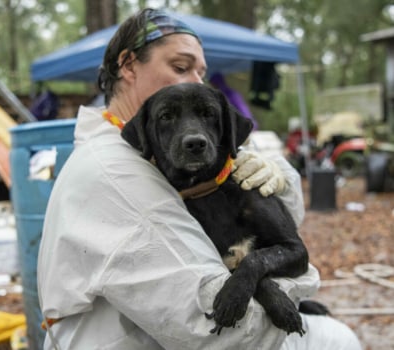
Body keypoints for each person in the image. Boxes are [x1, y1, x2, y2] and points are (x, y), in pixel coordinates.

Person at [37, 8, 361, 350]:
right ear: (129, 65)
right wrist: (296, 283)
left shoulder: (153, 156)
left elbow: (276, 220)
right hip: (180, 338)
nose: (195, 82)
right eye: (180, 67)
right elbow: (220, 329)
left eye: (201, 73)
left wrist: (280, 178)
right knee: (337, 340)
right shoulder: (116, 174)